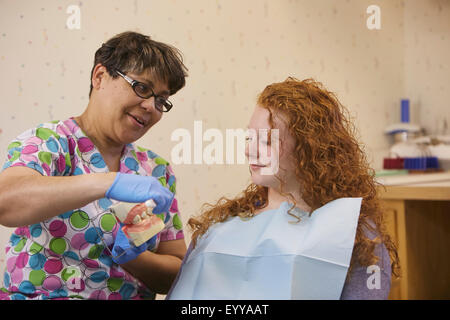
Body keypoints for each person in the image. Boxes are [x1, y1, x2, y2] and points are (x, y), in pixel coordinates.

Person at [167, 77, 400, 300]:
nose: (250, 150)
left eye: (268, 141)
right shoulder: (220, 226)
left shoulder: (358, 235)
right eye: (250, 137)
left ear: (309, 149)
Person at [0, 31, 188, 300]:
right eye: (142, 88)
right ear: (99, 76)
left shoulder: (155, 170)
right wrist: (108, 183)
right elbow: (5, 202)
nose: (150, 106)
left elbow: (175, 275)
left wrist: (132, 256)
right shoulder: (50, 143)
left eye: (161, 100)